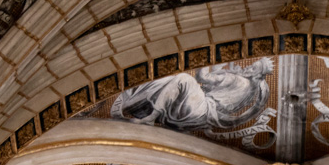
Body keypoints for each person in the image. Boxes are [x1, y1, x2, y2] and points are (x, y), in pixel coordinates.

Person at [111, 58, 273, 131]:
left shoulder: (237, 80)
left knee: (184, 79)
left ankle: (150, 117)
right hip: (202, 118)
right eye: (251, 65)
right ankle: (139, 106)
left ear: (257, 75)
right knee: (170, 81)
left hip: (203, 108)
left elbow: (202, 77)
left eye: (253, 68)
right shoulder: (249, 90)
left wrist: (209, 58)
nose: (248, 68)